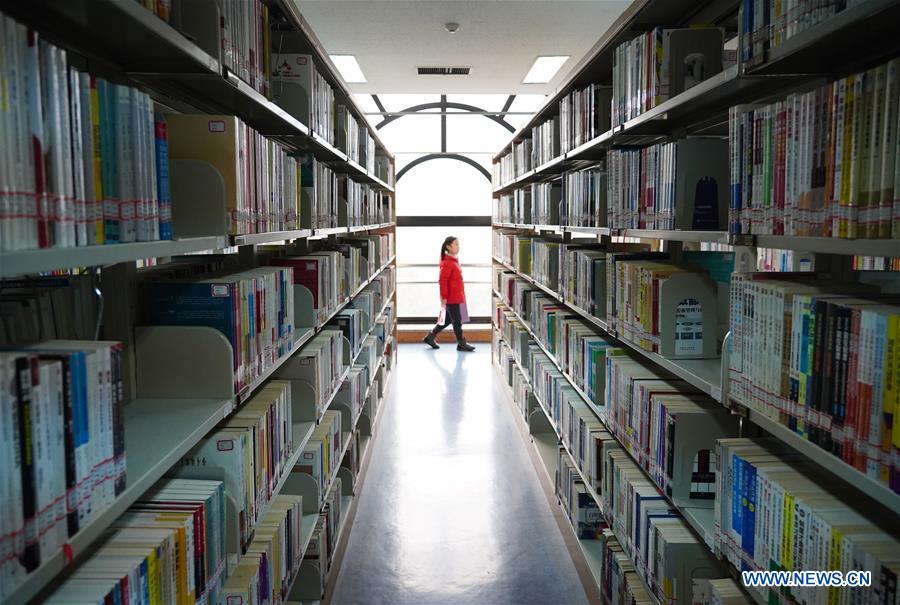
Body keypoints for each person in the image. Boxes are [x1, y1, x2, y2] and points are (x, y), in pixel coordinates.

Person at [423, 236, 475, 352]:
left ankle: (430, 337)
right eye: (455, 244)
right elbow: (442, 281)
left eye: (458, 244)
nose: (458, 247)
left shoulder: (454, 260)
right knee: (457, 321)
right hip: (452, 298)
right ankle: (462, 343)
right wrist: (444, 297)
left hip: (457, 296)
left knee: (446, 320)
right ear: (448, 246)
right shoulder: (447, 262)